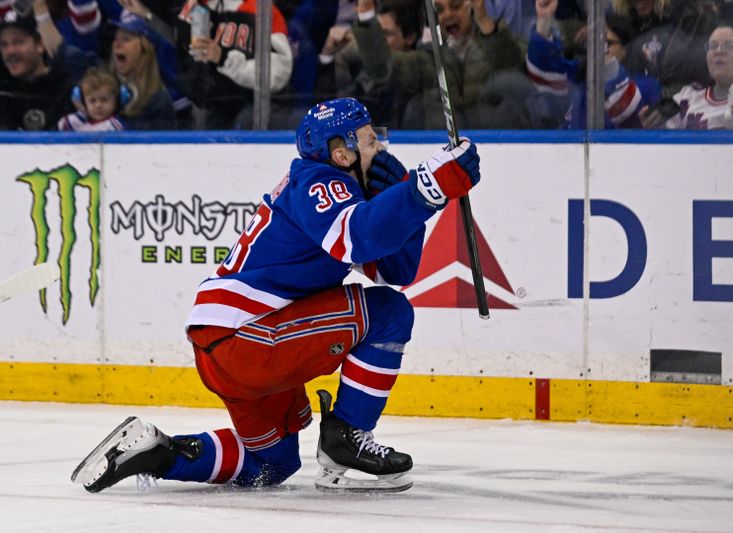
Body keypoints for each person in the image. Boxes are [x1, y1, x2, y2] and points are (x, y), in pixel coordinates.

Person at [71, 97, 482, 493]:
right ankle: (348, 434)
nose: (382, 147)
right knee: (389, 314)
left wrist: (409, 194)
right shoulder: (319, 184)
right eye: (371, 140)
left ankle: (157, 451)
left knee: (271, 465)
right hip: (247, 340)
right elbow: (361, 238)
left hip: (227, 345)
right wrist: (428, 186)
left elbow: (395, 269)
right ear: (343, 154)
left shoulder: (332, 190)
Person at [351, 0, 529, 129]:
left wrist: (484, 19)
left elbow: (510, 67)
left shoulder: (499, 43)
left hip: (503, 148)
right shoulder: (426, 58)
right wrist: (366, 12)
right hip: (442, 154)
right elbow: (383, 68)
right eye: (440, 10)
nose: (448, 15)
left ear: (474, 6)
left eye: (456, 6)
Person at [526, 0, 661, 128]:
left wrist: (603, 52)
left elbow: (622, 103)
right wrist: (545, 18)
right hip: (567, 150)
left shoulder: (647, 85)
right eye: (590, 42)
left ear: (625, 49)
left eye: (606, 43)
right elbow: (545, 69)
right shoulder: (580, 76)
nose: (595, 49)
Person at [175, 0, 292, 130]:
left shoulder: (262, 10)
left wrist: (224, 58)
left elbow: (277, 72)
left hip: (249, 111)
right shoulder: (194, 7)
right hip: (204, 110)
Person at [315, 0, 421, 127]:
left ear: (410, 37)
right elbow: (325, 112)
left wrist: (365, 16)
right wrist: (328, 55)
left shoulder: (417, 66)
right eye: (375, 33)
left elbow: (385, 74)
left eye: (385, 34)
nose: (376, 40)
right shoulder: (357, 67)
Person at [0, 7, 96, 130]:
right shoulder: (3, 89)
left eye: (18, 42)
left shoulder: (67, 92)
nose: (10, 51)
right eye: (4, 44)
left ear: (40, 44)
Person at [109, 11, 175, 129]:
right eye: (115, 38)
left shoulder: (159, 102)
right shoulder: (107, 95)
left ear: (144, 49)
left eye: (126, 39)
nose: (117, 44)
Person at [58, 65, 127, 130]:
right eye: (92, 101)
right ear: (84, 102)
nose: (98, 105)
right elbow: (61, 125)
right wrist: (82, 112)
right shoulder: (81, 120)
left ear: (116, 101)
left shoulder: (115, 125)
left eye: (104, 100)